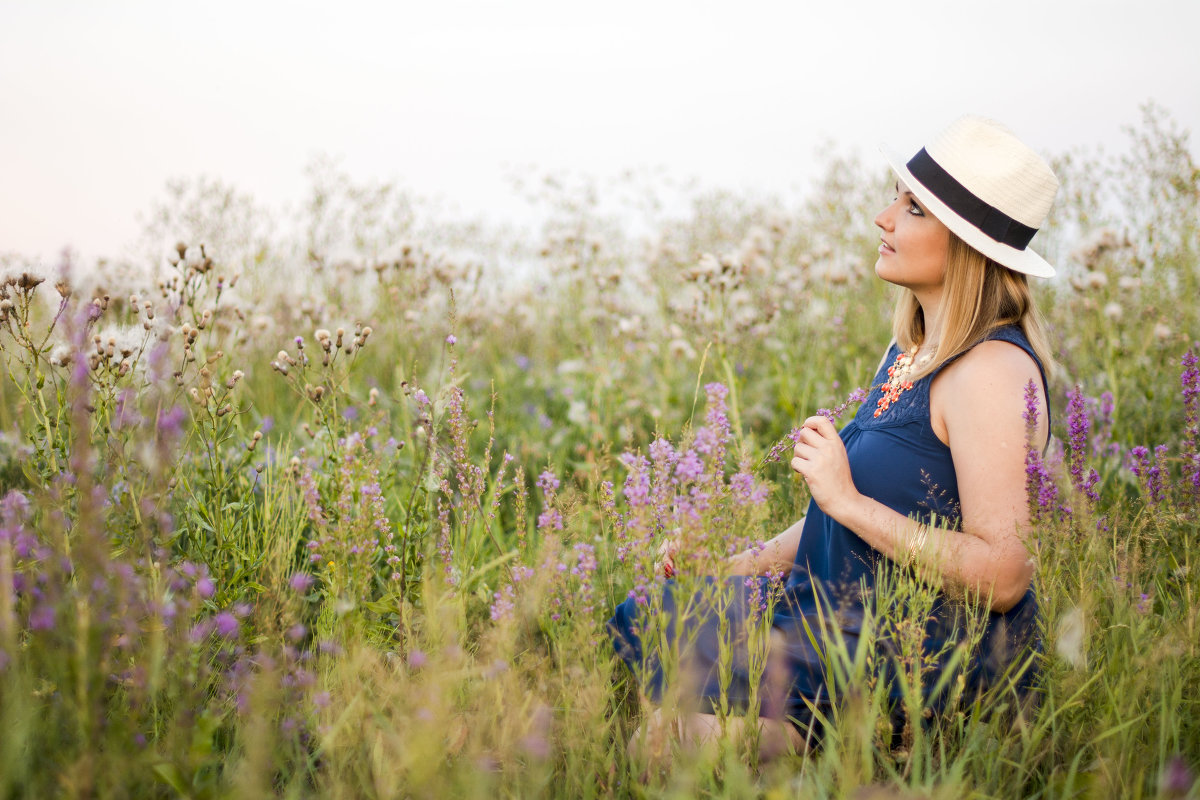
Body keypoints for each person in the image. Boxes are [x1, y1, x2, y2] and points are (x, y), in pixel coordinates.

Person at [608, 115, 1058, 760]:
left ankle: (854, 747)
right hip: (829, 614)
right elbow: (848, 515)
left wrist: (848, 501)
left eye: (911, 209)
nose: (883, 218)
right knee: (660, 628)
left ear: (965, 244)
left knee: (666, 744)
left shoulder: (990, 372)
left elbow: (1005, 574)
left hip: (901, 647)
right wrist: (743, 561)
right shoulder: (912, 353)